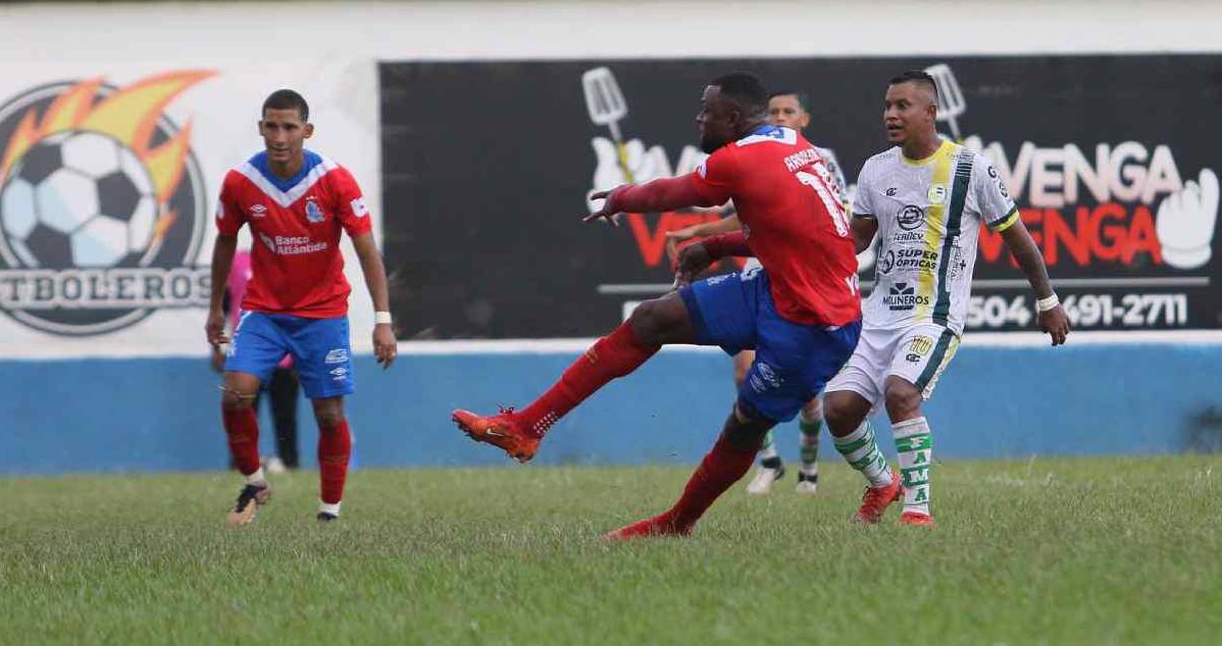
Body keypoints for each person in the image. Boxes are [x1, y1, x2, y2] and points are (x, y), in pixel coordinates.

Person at [453, 73, 862, 539]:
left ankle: (678, 523)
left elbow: (676, 192)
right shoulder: (787, 140)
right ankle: (525, 426)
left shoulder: (739, 160)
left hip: (814, 326)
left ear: (732, 119)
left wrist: (620, 199)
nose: (698, 118)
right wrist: (712, 247)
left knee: (744, 426)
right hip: (776, 289)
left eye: (706, 112)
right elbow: (789, 225)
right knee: (652, 318)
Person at [822, 71, 1070, 528]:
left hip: (934, 316)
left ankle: (918, 511)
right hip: (877, 316)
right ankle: (883, 484)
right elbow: (856, 239)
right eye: (887, 106)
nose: (890, 115)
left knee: (902, 393)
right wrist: (810, 253)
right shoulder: (876, 169)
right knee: (837, 410)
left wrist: (1047, 299)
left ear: (930, 112)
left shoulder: (969, 168)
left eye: (902, 106)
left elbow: (1017, 238)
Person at [206, 88, 397, 525]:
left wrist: (383, 320)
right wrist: (216, 308)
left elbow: (366, 249)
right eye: (271, 126)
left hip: (323, 313)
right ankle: (254, 482)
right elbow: (224, 240)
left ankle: (329, 511)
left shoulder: (334, 180)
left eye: (289, 127)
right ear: (260, 128)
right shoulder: (241, 182)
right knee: (237, 392)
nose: (279, 136)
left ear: (306, 131)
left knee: (329, 414)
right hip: (264, 311)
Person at [664, 90, 848, 497]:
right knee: (744, 370)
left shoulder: (817, 158)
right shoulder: (754, 153)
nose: (781, 117)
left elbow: (841, 213)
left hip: (802, 272)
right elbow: (742, 214)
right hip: (760, 264)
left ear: (805, 119)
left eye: (789, 111)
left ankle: (809, 469)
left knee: (803, 386)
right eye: (775, 111)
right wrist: (699, 232)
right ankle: (768, 463)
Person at [212, 249, 301, 473]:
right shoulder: (237, 261)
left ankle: (289, 462)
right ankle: (240, 464)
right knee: (243, 412)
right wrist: (216, 347)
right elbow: (223, 305)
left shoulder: (289, 258)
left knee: (285, 414)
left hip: (284, 355)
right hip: (247, 353)